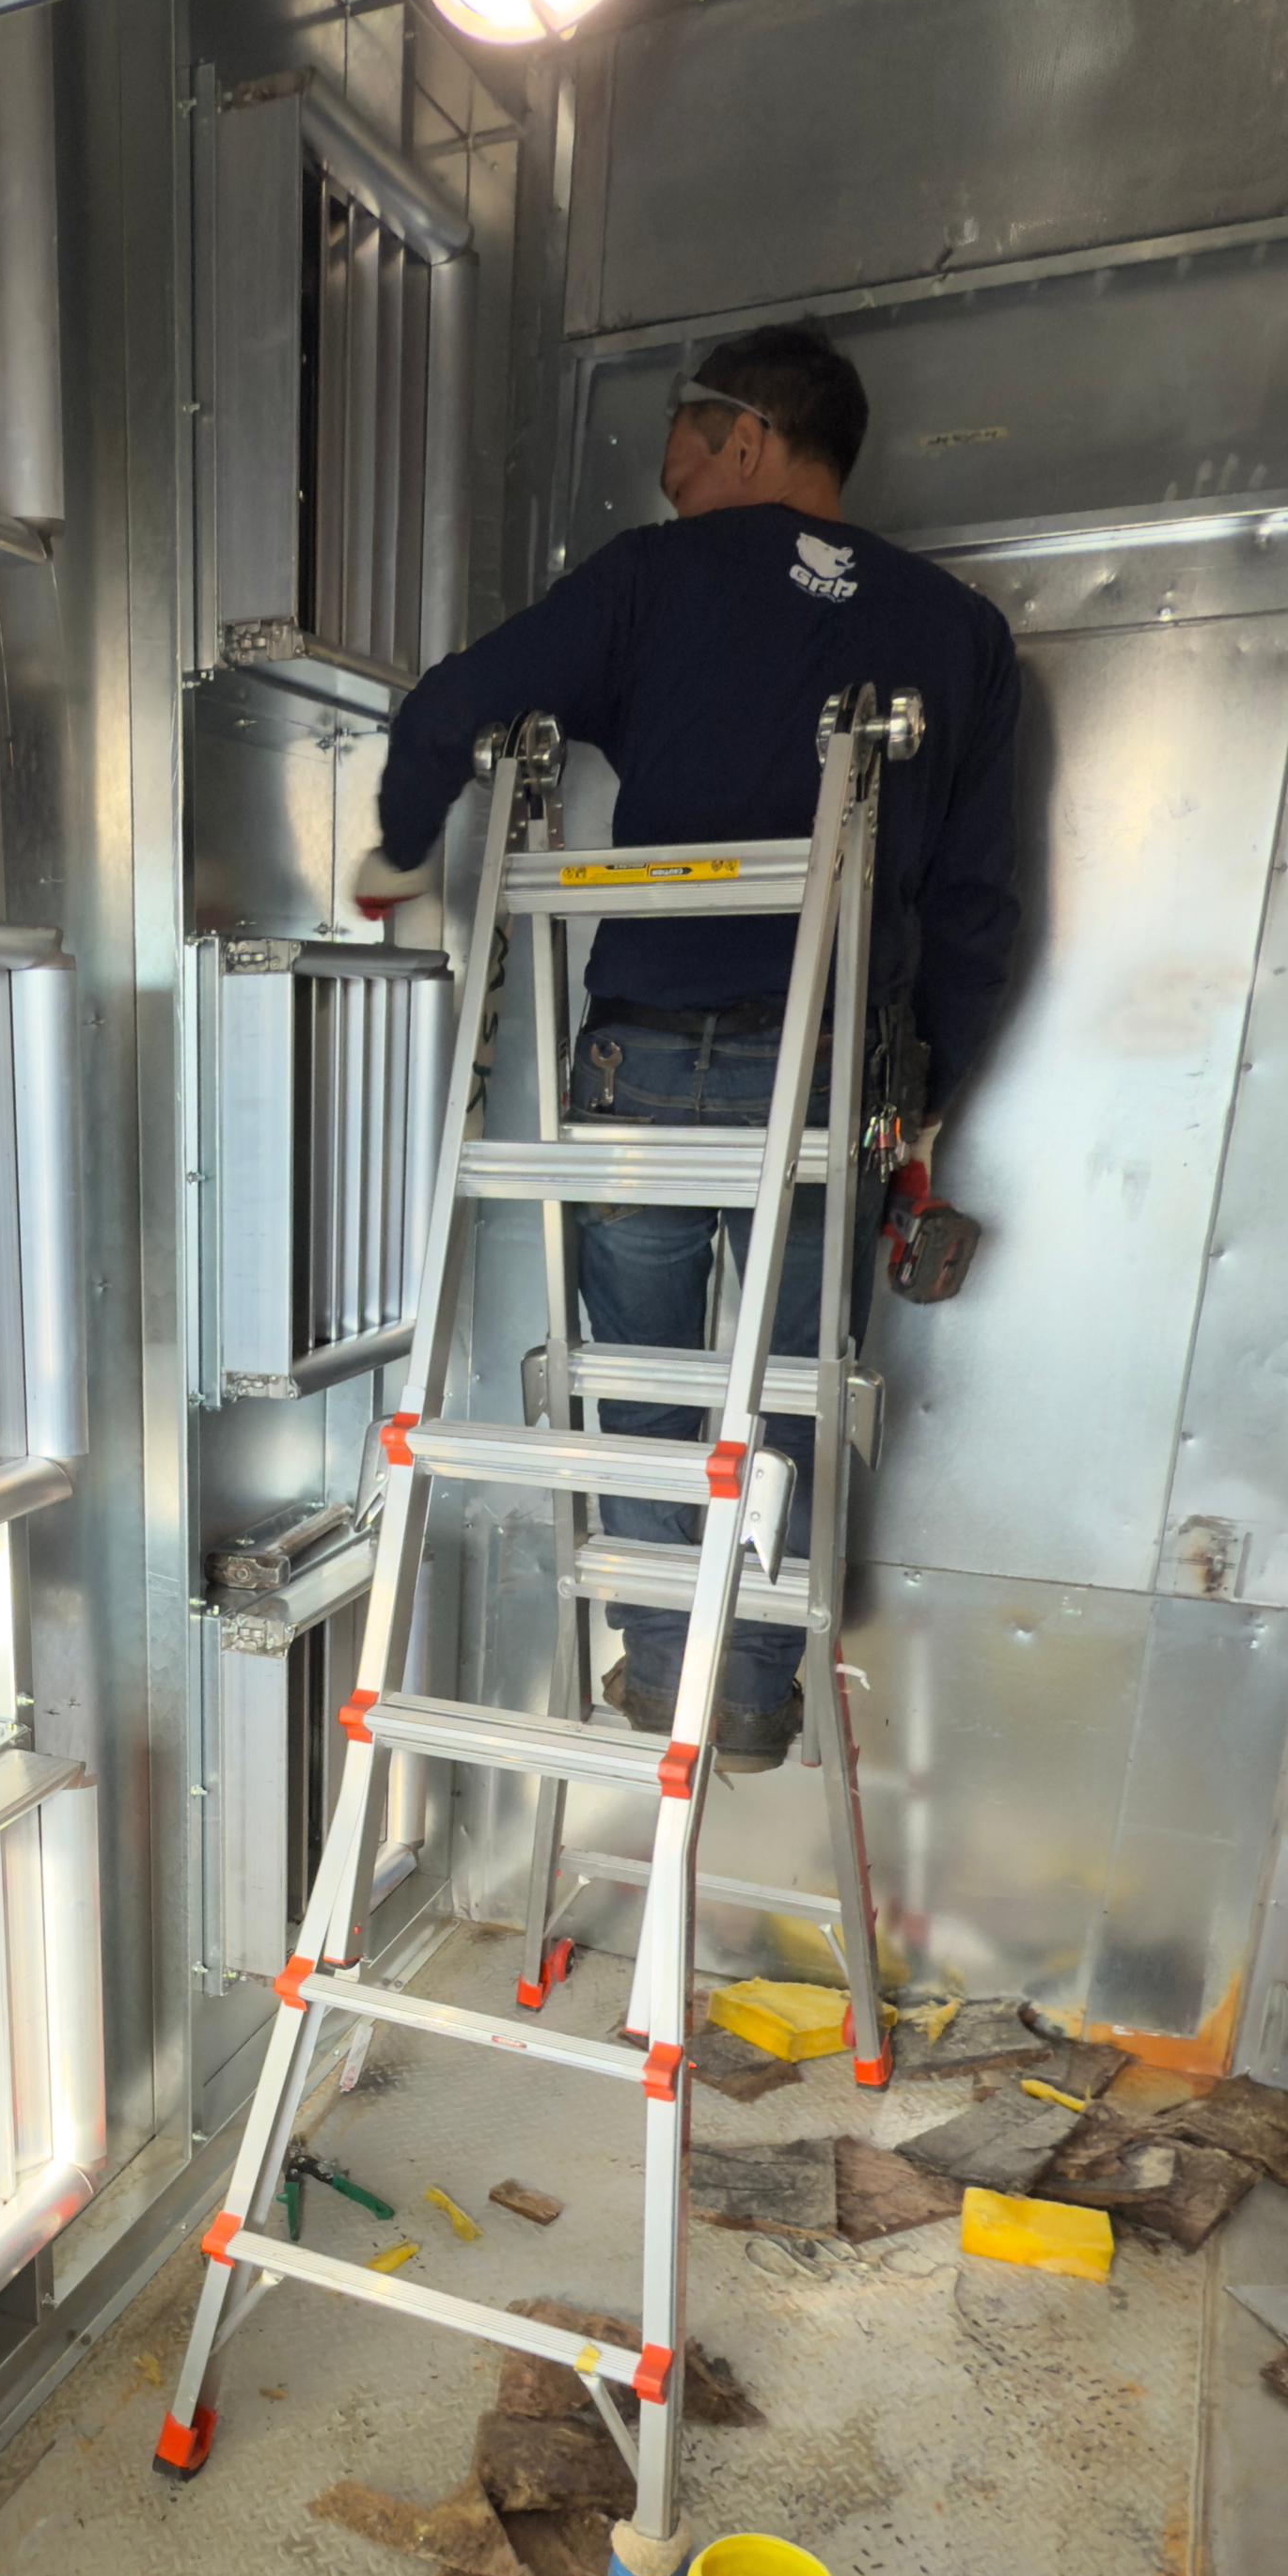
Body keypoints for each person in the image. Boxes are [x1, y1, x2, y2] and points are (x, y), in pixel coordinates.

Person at [363, 319, 1019, 1766]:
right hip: (834, 1076)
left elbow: (456, 702)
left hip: (649, 1064)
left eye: (681, 436)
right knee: (786, 1388)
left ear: (749, 438)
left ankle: (668, 1664)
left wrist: (402, 845)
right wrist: (926, 1103)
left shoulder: (654, 582)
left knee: (648, 1385)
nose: (663, 471)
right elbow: (976, 910)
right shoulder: (958, 633)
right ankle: (756, 1690)